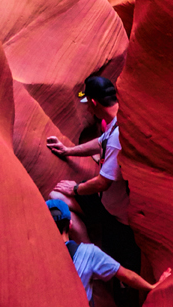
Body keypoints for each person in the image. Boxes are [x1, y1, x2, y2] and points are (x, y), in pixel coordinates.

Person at [47, 198, 169, 307]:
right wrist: (151, 286)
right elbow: (127, 275)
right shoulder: (89, 253)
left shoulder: (39, 258)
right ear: (70, 225)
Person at [47, 74, 129, 228]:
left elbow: (102, 183)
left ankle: (83, 243)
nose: (88, 110)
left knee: (56, 200)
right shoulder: (118, 120)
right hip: (109, 200)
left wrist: (75, 189)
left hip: (115, 212)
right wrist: (67, 150)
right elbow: (100, 142)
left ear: (94, 102)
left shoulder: (117, 137)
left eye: (88, 104)